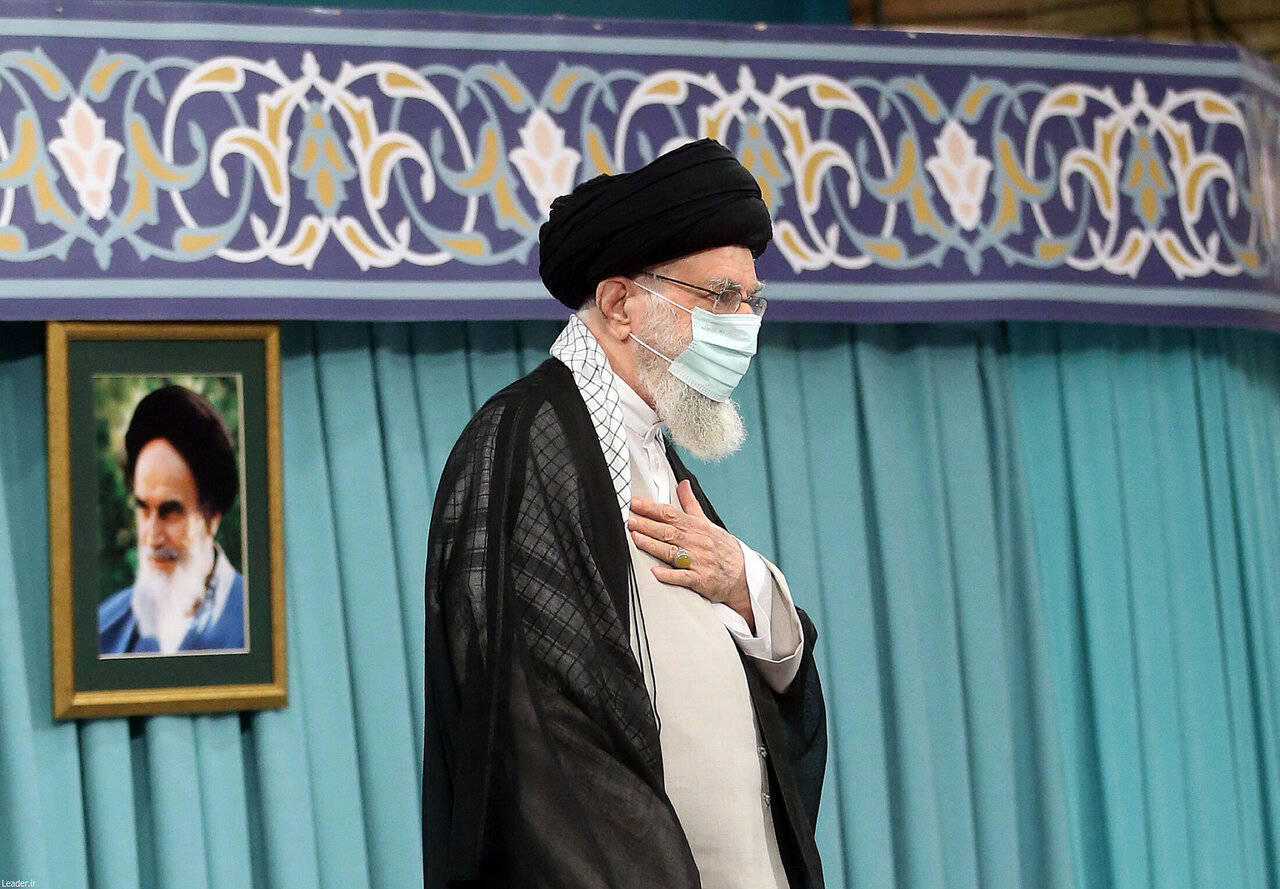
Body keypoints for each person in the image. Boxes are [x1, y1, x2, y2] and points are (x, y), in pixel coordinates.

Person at [425, 139, 827, 889]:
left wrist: (746, 583)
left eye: (751, 299)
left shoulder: (656, 452)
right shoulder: (527, 440)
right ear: (618, 305)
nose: (743, 323)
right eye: (720, 297)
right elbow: (537, 732)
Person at [98, 384, 246, 655]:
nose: (152, 536)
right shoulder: (104, 631)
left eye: (170, 512)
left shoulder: (258, 623)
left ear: (212, 516)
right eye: (144, 509)